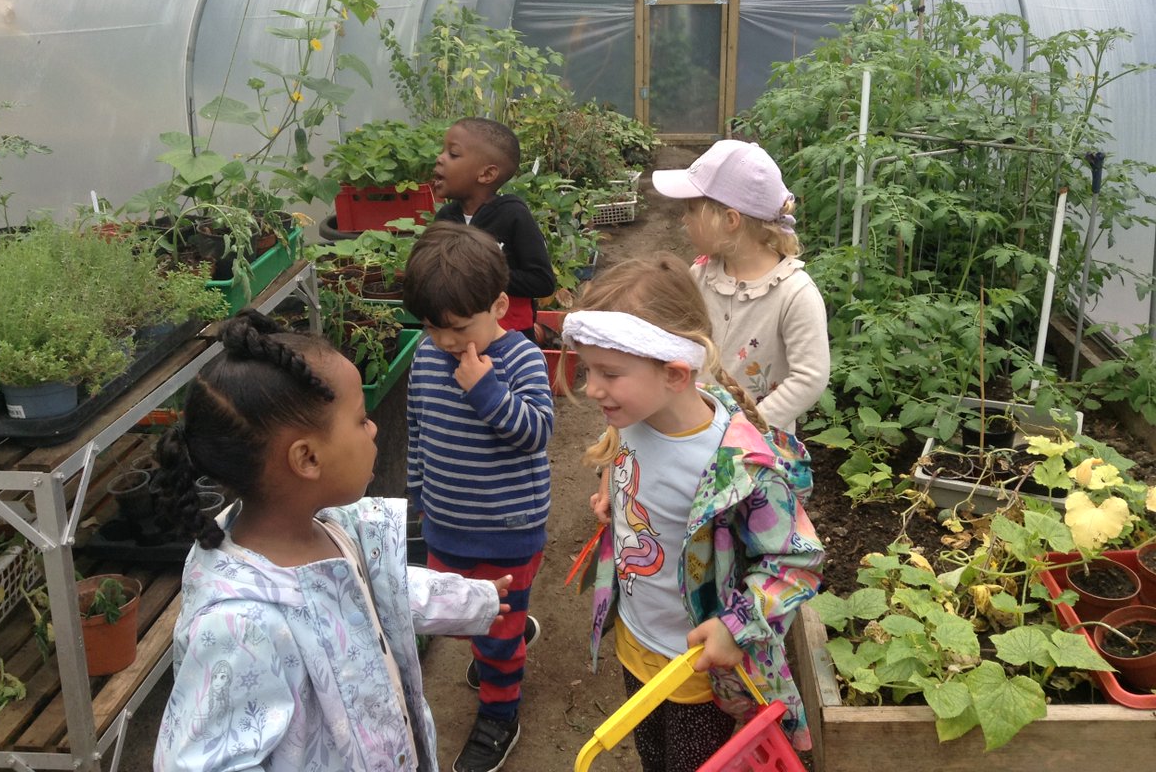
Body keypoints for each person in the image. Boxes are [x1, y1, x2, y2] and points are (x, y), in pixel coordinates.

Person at [151, 309, 509, 772]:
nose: (375, 428)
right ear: (307, 458)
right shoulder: (239, 627)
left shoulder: (331, 528)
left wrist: (473, 600)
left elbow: (385, 590)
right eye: (361, 419)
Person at [562, 253, 824, 771]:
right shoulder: (638, 411)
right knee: (652, 752)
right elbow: (623, 448)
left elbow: (795, 564)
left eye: (608, 373)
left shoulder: (740, 465)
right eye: (589, 368)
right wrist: (613, 488)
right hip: (635, 635)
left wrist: (736, 626)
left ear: (676, 373)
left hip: (698, 667)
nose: (592, 388)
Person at [403, 221, 554, 772]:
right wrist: (418, 490)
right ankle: (505, 637)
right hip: (446, 522)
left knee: (495, 632)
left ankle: (500, 713)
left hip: (507, 529)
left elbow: (537, 430)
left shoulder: (519, 360)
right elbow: (418, 427)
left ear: (499, 303)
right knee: (462, 609)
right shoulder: (425, 356)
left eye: (458, 327)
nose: (444, 340)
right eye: (431, 326)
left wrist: (485, 389)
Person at [652, 139, 829, 433]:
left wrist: (747, 426)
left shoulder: (793, 293)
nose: (684, 219)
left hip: (756, 453)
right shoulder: (701, 275)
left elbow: (809, 376)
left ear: (730, 220)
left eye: (692, 209)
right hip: (698, 432)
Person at [431, 116, 556, 341]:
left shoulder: (513, 215)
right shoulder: (446, 218)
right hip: (456, 335)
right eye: (443, 151)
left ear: (487, 174)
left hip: (510, 335)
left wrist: (482, 275)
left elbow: (542, 281)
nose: (440, 158)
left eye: (453, 154)